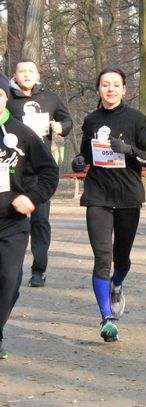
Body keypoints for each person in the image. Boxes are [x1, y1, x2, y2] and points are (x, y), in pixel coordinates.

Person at [71, 67, 146, 342]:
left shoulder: (136, 119)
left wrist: (130, 151)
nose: (110, 89)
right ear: (98, 90)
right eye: (105, 85)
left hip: (127, 198)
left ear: (124, 89)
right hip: (97, 195)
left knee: (121, 259)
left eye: (115, 85)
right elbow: (85, 155)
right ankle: (106, 318)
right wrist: (79, 162)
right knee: (102, 258)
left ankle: (118, 283)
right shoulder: (91, 120)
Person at [0, 72, 59, 359]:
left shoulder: (21, 134)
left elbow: (49, 172)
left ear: (6, 98)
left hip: (11, 223)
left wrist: (31, 197)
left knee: (8, 281)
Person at [7, 59, 73, 287]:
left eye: (31, 71)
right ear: (14, 75)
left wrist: (61, 127)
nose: (26, 75)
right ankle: (9, 268)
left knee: (40, 220)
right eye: (22, 71)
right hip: (11, 169)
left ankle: (38, 269)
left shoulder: (50, 98)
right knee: (9, 218)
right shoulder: (6, 98)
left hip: (39, 170)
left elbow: (67, 120)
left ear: (38, 74)